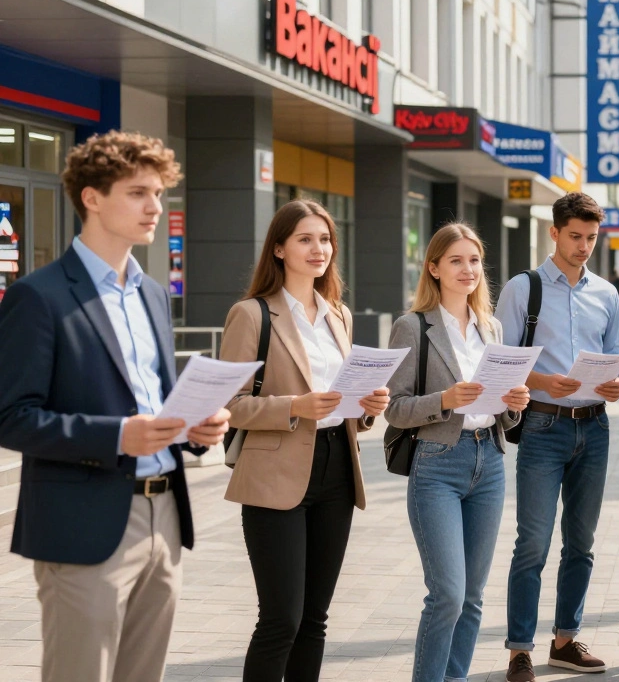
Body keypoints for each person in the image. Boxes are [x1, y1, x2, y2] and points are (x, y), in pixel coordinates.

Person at [0, 131, 231, 682]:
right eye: (138, 193)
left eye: (158, 193)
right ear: (92, 198)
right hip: (84, 522)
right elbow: (10, 416)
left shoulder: (152, 292)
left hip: (165, 515)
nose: (155, 207)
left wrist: (194, 425)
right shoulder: (40, 295)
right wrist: (116, 436)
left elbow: (154, 399)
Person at [220, 199, 391, 682]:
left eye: (325, 239)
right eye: (305, 239)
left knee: (314, 620)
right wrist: (294, 407)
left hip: (337, 465)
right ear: (278, 249)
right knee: (281, 620)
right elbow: (228, 404)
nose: (319, 249)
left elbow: (344, 403)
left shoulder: (339, 314)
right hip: (275, 474)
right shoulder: (252, 315)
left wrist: (366, 407)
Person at [385, 223, 530, 682]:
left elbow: (503, 409)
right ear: (433, 268)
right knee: (447, 593)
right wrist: (445, 400)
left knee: (472, 596)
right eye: (455, 261)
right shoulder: (412, 327)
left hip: (488, 462)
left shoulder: (492, 326)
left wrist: (514, 405)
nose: (468, 269)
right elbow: (394, 407)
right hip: (436, 464)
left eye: (474, 260)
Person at [496, 192, 619, 681]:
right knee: (533, 541)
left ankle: (566, 641)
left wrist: (618, 382)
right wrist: (543, 382)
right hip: (542, 425)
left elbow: (618, 355)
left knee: (582, 541)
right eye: (575, 236)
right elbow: (502, 363)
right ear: (554, 232)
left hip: (595, 426)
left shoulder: (607, 293)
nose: (584, 246)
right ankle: (518, 650)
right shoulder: (522, 289)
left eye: (592, 237)